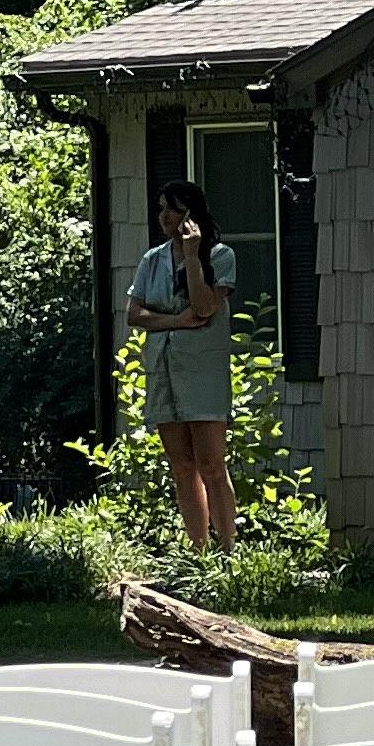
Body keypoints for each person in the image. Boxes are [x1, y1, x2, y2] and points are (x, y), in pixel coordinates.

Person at [126, 179, 238, 551]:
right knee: (182, 467)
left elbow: (205, 307)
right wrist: (175, 321)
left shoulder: (220, 256)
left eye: (172, 209)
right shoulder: (151, 259)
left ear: (191, 213)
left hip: (203, 372)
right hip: (164, 370)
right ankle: (198, 549)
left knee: (211, 464)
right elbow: (134, 313)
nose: (164, 217)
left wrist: (192, 257)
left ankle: (227, 549)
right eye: (161, 209)